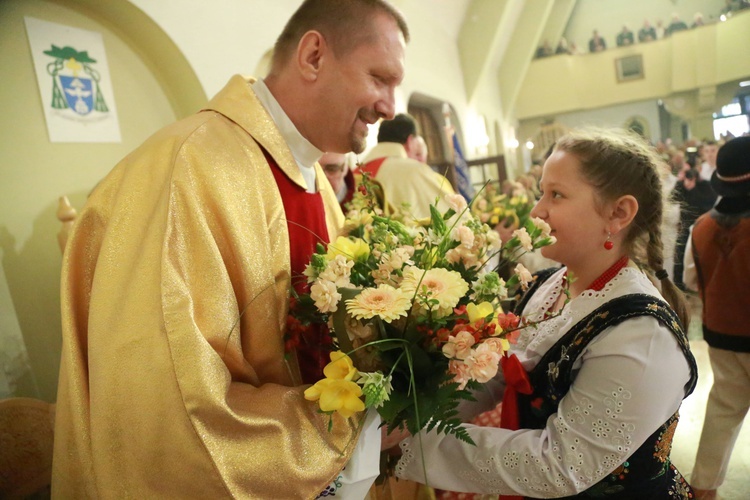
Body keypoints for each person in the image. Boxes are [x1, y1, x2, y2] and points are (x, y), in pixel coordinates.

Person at [52, 0, 409, 497]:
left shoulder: (313, 181)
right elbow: (173, 409)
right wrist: (350, 431)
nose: (391, 106)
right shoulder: (188, 170)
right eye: (380, 77)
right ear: (312, 56)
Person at [394, 128, 698, 498]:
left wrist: (412, 444)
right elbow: (499, 375)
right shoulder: (548, 287)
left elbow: (562, 465)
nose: (537, 210)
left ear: (618, 213)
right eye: (541, 192)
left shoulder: (639, 333)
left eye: (556, 194)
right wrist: (408, 416)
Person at [683, 136, 750, 500]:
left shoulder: (702, 227)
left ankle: (704, 486)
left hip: (721, 334)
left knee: (724, 411)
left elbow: (692, 280)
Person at [359, 113, 455, 219]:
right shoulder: (415, 170)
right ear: (410, 141)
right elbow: (454, 219)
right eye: (418, 154)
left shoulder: (356, 172)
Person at [671, 168, 717, 290]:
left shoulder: (705, 186)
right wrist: (680, 183)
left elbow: (708, 204)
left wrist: (693, 189)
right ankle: (679, 284)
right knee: (680, 254)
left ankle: (699, 284)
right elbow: (673, 198)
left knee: (700, 254)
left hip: (700, 225)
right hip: (685, 225)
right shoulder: (681, 185)